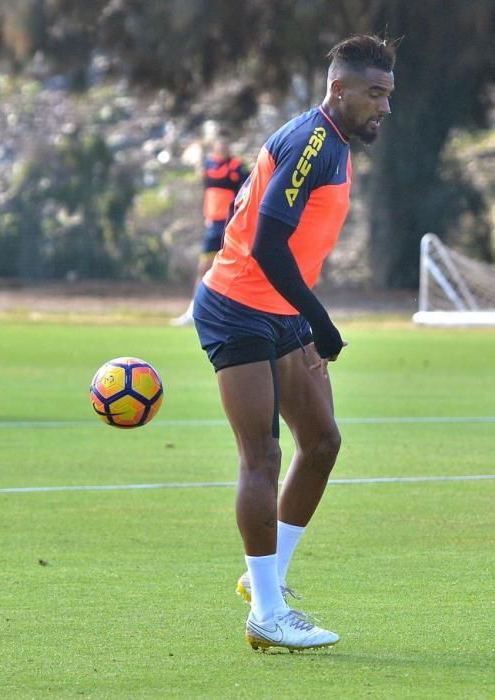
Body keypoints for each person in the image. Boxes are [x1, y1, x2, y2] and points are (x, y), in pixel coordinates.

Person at [193, 34, 397, 651]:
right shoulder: (313, 142)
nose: (385, 107)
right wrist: (322, 321)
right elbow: (267, 246)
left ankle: (267, 584)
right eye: (375, 94)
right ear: (340, 90)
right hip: (238, 308)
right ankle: (268, 615)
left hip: (280, 310)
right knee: (262, 455)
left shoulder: (333, 142)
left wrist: (303, 316)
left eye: (389, 94)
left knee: (323, 442)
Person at [170, 129, 249, 326]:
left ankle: (234, 314)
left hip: (230, 225)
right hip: (213, 225)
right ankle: (193, 311)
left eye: (225, 144)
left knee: (234, 269)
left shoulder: (237, 168)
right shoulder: (208, 165)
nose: (222, 147)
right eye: (219, 144)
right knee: (203, 268)